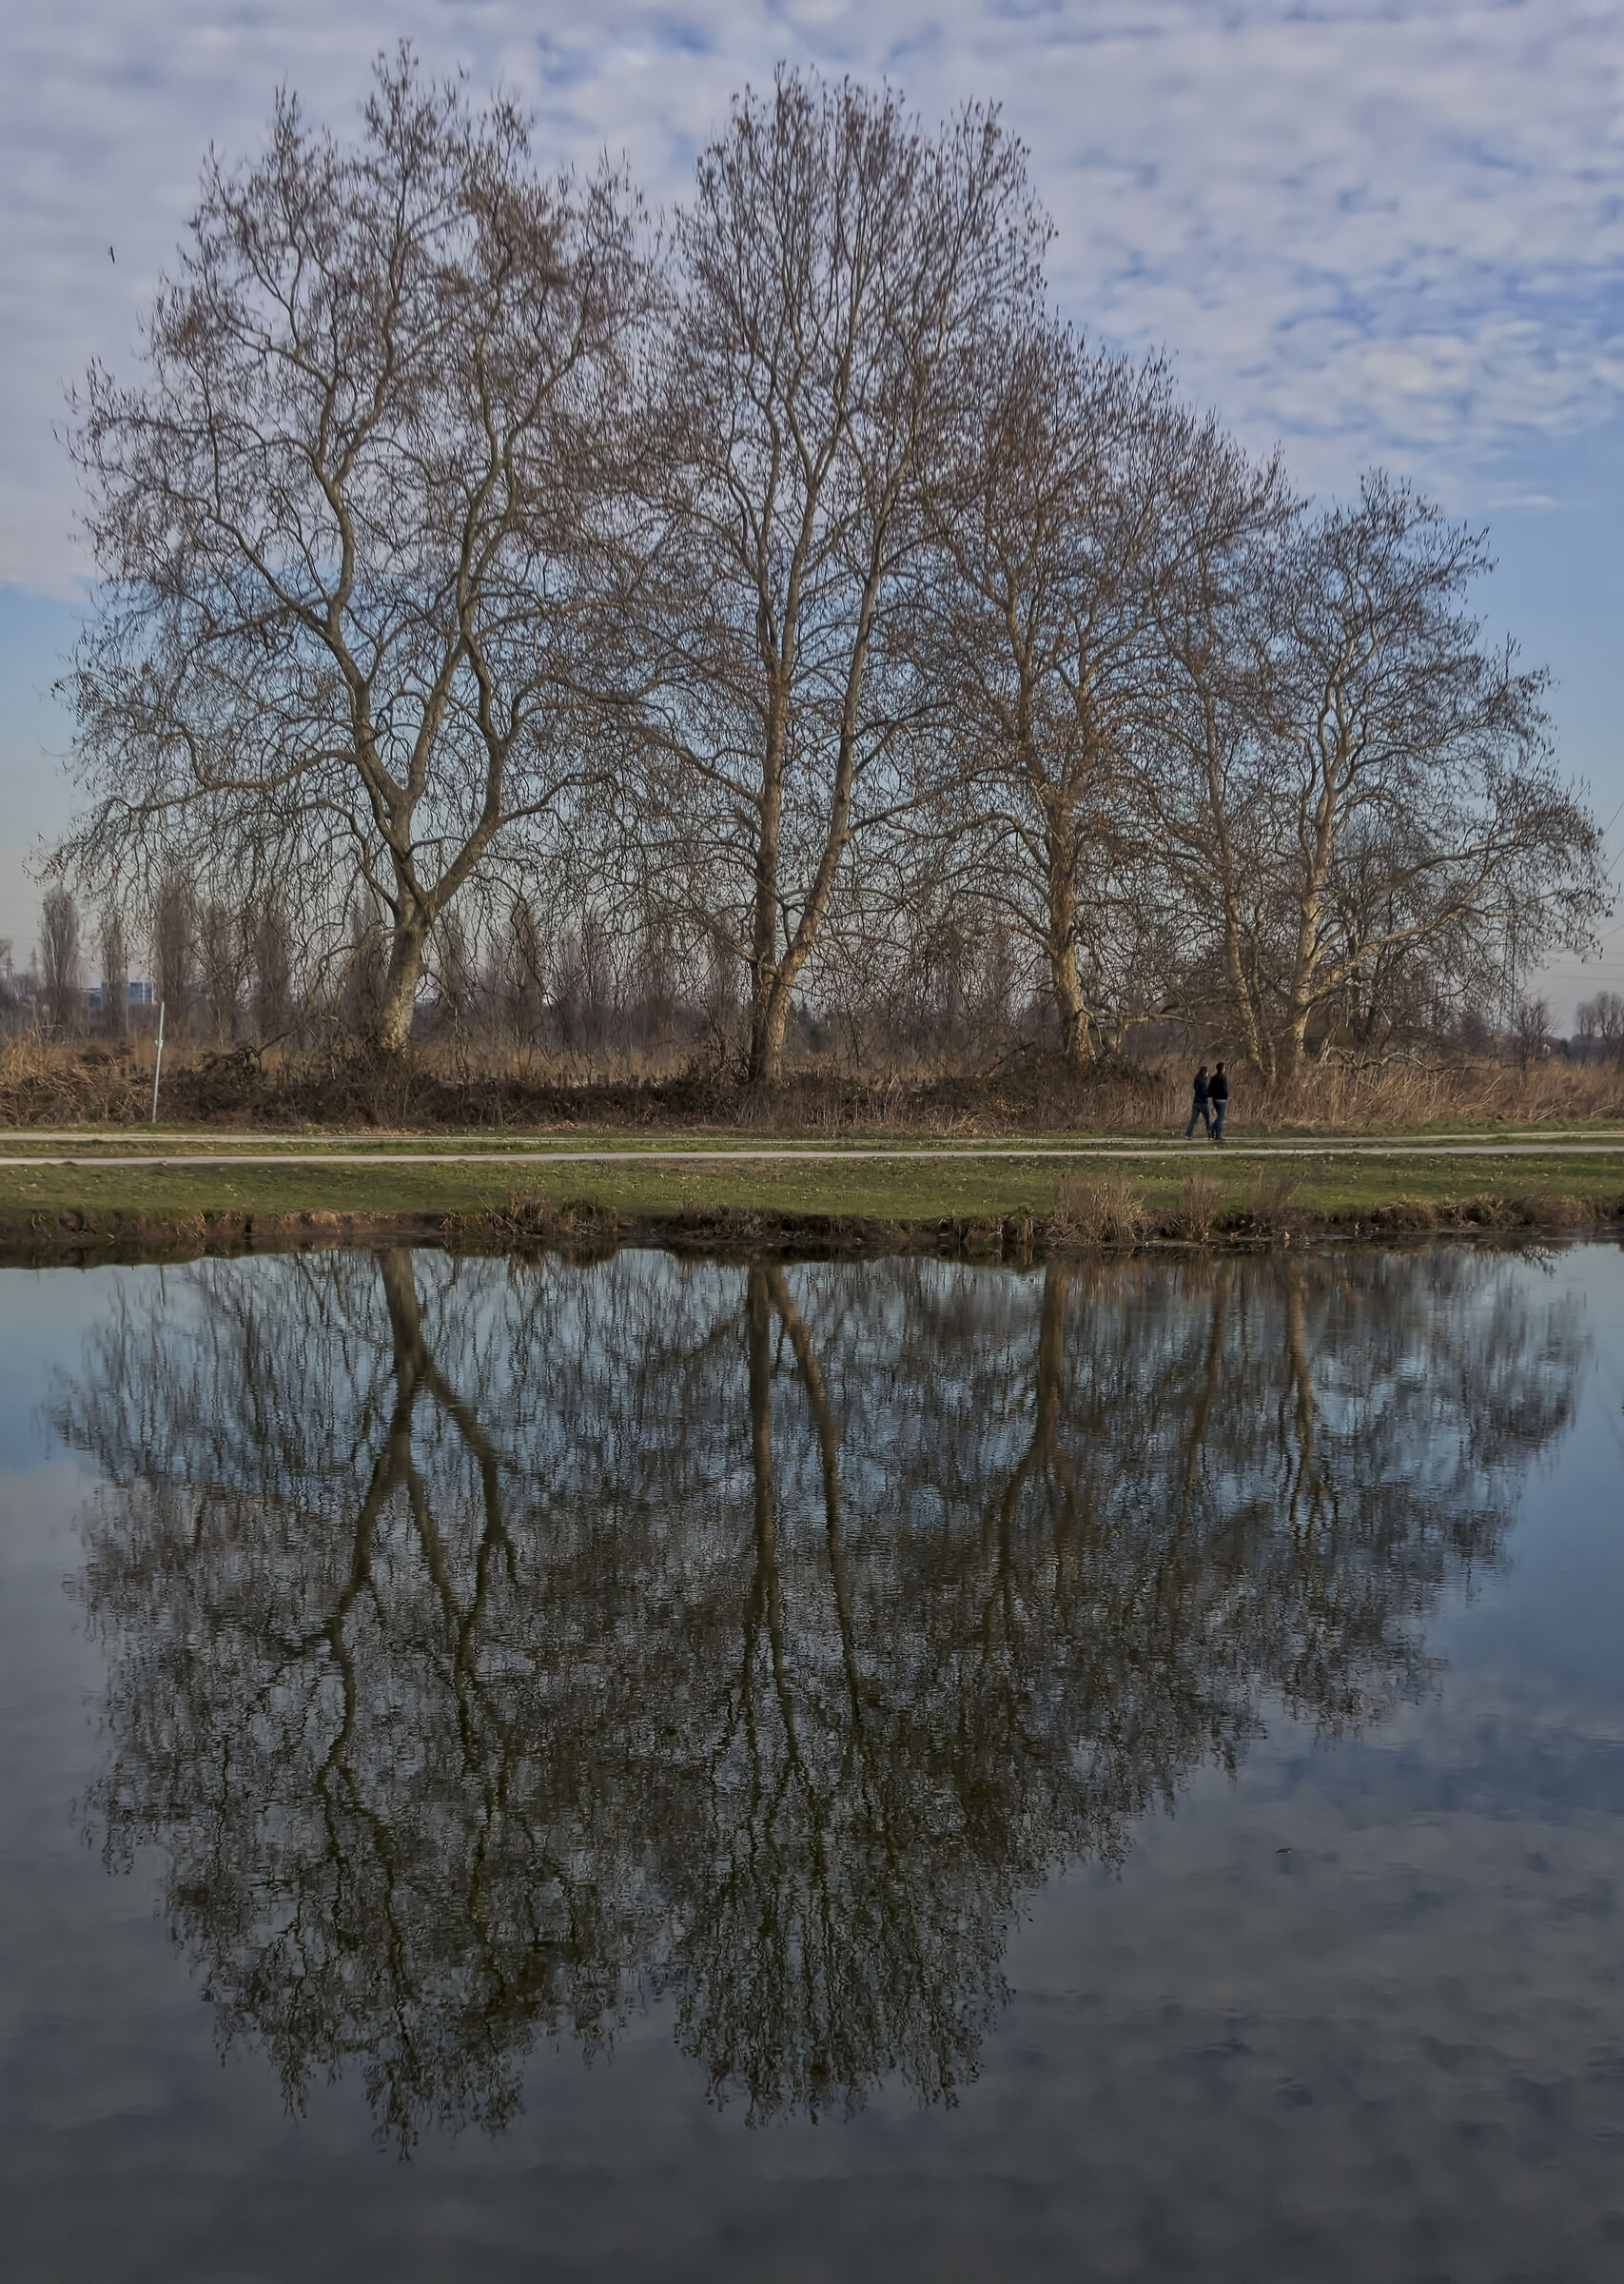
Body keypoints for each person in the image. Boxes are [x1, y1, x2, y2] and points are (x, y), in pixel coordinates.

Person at [1184, 1064, 1211, 1139]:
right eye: (1207, 1072)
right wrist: (1210, 1093)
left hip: (1195, 1102)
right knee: (1208, 1118)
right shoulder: (1203, 1082)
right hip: (1203, 1103)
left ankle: (1188, 1134)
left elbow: (1196, 1090)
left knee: (1193, 1119)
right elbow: (1204, 1092)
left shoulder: (1196, 1080)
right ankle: (1210, 1133)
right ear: (1205, 1073)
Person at [1208, 1060, 1229, 1142]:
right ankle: (1217, 1134)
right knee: (1221, 1118)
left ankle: (1212, 1129)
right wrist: (1225, 1096)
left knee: (1219, 1117)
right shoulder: (1223, 1078)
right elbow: (1224, 1089)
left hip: (1215, 1099)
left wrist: (1212, 1095)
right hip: (1221, 1100)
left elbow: (1209, 1089)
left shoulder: (1214, 1078)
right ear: (1223, 1068)